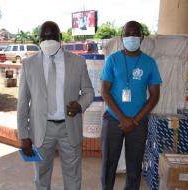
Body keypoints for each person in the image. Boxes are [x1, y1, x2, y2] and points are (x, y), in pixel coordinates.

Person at [17, 21, 94, 190]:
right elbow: (22, 102)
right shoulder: (28, 64)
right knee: (41, 176)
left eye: (52, 36)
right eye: (44, 37)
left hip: (69, 127)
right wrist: (23, 135)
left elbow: (89, 92)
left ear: (60, 38)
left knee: (73, 175)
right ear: (38, 39)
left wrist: (80, 105)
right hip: (41, 130)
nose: (48, 40)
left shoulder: (77, 62)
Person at [100, 21, 162, 190]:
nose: (131, 37)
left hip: (138, 123)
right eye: (128, 34)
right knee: (108, 165)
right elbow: (105, 91)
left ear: (142, 37)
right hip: (113, 120)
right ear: (122, 37)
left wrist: (134, 121)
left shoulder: (149, 63)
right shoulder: (113, 59)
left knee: (134, 168)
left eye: (136, 34)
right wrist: (123, 119)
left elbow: (155, 96)